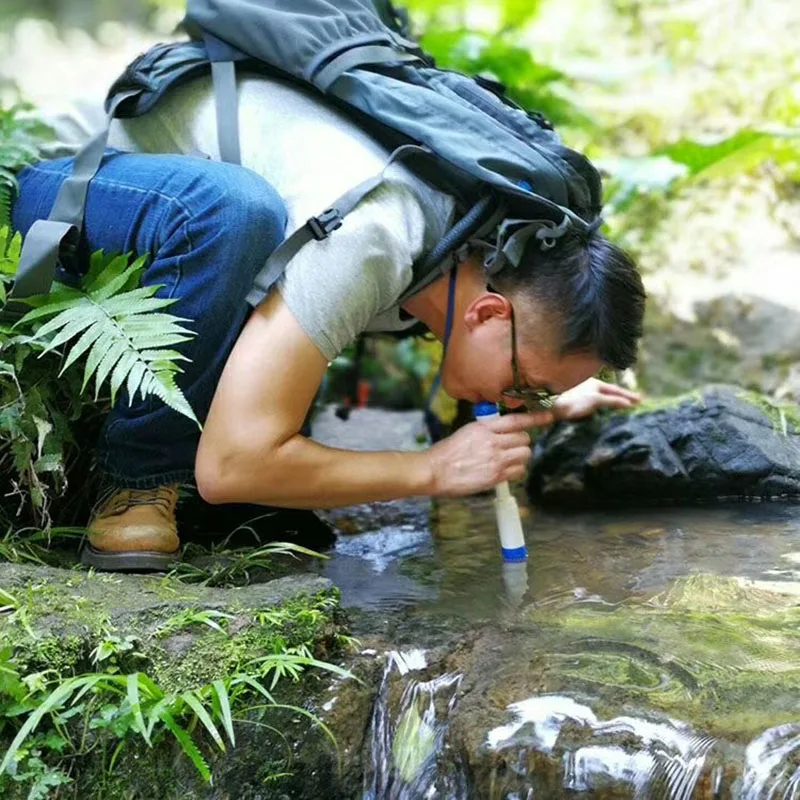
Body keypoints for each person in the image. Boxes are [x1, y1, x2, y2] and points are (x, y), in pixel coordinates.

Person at [13, 69, 646, 571]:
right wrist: (430, 470)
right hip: (71, 183)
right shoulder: (372, 235)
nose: (519, 402)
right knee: (236, 214)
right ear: (487, 311)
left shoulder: (480, 243)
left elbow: (522, 331)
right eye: (525, 386)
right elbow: (230, 466)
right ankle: (139, 480)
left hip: (153, 199)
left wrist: (551, 381)